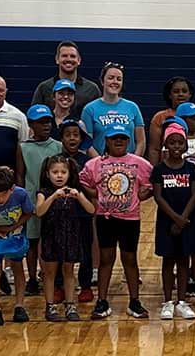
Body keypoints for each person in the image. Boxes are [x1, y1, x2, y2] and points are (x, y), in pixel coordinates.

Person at [79, 124, 154, 319]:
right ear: (106, 141)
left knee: (130, 259)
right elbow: (84, 182)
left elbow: (151, 183)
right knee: (106, 259)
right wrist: (97, 196)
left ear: (128, 140)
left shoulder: (139, 163)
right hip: (106, 219)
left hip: (130, 219)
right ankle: (102, 301)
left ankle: (134, 301)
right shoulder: (96, 164)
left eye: (122, 138)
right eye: (114, 138)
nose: (118, 141)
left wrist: (141, 196)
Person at [34, 155, 94, 322]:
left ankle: (70, 304)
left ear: (69, 174)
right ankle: (50, 305)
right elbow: (39, 211)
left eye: (63, 172)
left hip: (71, 236)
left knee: (69, 271)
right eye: (55, 172)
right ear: (47, 174)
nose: (59, 175)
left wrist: (79, 196)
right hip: (51, 237)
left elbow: (91, 210)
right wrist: (53, 197)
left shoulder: (74, 191)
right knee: (50, 272)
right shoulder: (43, 193)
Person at [152, 125, 195, 320]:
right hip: (167, 222)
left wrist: (183, 219)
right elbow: (158, 196)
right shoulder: (159, 169)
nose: (176, 146)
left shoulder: (190, 168)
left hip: (187, 220)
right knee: (168, 261)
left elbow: (194, 194)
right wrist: (175, 218)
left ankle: (181, 301)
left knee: (183, 261)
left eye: (180, 143)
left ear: (185, 146)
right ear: (166, 145)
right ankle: (167, 302)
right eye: (172, 142)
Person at [0, 167, 35, 326]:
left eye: (4, 194)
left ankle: (19, 305)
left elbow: (28, 212)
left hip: (15, 236)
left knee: (18, 267)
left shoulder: (21, 194)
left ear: (12, 189)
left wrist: (12, 227)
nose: (0, 199)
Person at [16, 104, 62, 297]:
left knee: (53, 240)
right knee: (32, 241)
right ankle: (32, 278)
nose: (46, 126)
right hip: (31, 199)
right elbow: (20, 174)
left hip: (53, 199)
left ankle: (52, 276)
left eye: (48, 122)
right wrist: (21, 199)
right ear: (31, 124)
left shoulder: (57, 146)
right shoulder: (23, 147)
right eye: (41, 122)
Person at [57, 119, 95, 303]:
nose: (72, 138)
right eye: (68, 135)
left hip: (82, 213)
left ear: (81, 139)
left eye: (76, 135)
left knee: (85, 250)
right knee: (59, 250)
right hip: (60, 214)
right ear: (61, 138)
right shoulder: (55, 161)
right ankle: (59, 286)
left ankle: (86, 285)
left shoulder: (88, 162)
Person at [81, 63, 145, 160]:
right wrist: (100, 163)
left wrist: (134, 162)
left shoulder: (132, 107)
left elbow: (141, 141)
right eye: (111, 78)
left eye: (119, 79)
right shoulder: (89, 109)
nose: (115, 82)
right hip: (101, 165)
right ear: (102, 81)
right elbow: (87, 143)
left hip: (129, 166)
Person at [148, 77, 195, 164]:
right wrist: (155, 171)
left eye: (184, 91)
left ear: (190, 94)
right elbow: (154, 149)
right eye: (176, 91)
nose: (180, 94)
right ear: (169, 95)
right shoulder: (160, 117)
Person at [30, 41, 102, 117]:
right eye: (64, 56)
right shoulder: (44, 88)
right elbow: (34, 118)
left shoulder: (92, 89)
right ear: (57, 59)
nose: (69, 59)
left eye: (73, 56)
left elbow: (99, 118)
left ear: (79, 60)